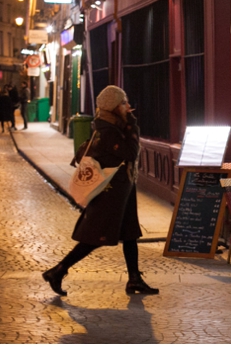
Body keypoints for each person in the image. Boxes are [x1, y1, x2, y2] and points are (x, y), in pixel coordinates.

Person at [42, 85, 159, 296]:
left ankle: (134, 279)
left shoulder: (113, 127)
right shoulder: (107, 131)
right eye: (123, 103)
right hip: (110, 192)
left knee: (130, 233)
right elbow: (130, 153)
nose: (128, 106)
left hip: (123, 188)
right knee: (95, 237)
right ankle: (58, 271)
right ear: (113, 107)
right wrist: (133, 126)